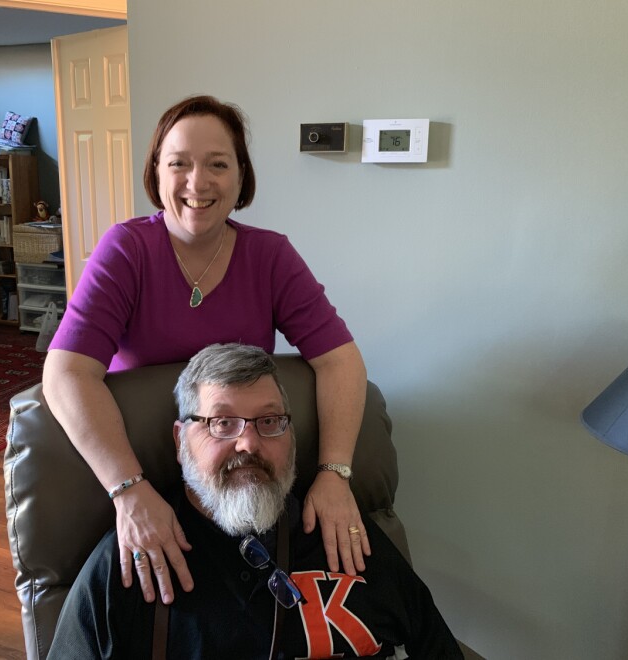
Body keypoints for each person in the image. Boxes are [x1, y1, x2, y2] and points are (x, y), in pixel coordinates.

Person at [43, 95, 371, 605]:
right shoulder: (125, 250)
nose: (197, 183)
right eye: (179, 163)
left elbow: (340, 360)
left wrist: (334, 473)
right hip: (143, 474)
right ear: (156, 173)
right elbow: (65, 374)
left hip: (239, 472)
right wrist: (129, 489)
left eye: (218, 164)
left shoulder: (270, 256)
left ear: (241, 178)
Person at [48, 344, 462, 660]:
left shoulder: (344, 532)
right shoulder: (131, 561)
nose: (248, 443)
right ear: (180, 441)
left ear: (291, 437)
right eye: (222, 422)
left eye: (269, 421)